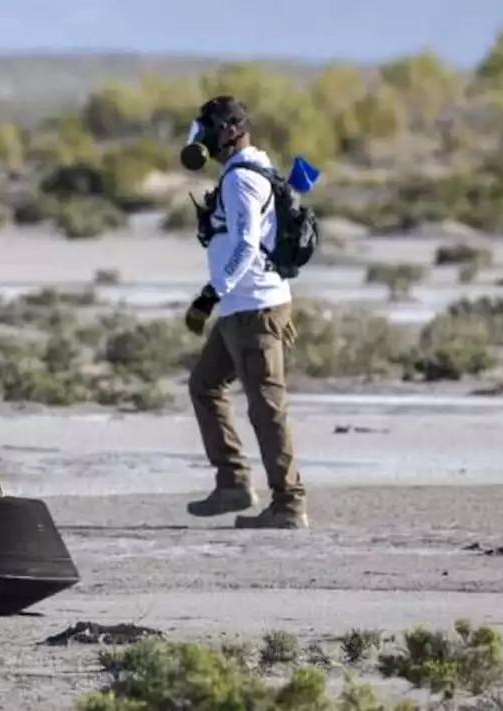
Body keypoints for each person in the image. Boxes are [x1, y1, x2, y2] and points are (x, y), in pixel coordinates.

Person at [180, 96, 308, 529]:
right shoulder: (245, 171)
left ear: (230, 131)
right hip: (241, 307)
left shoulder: (241, 181)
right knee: (205, 385)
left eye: (208, 130)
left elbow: (246, 245)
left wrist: (208, 295)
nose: (201, 140)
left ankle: (289, 503)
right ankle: (233, 483)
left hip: (254, 309)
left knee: (267, 408)